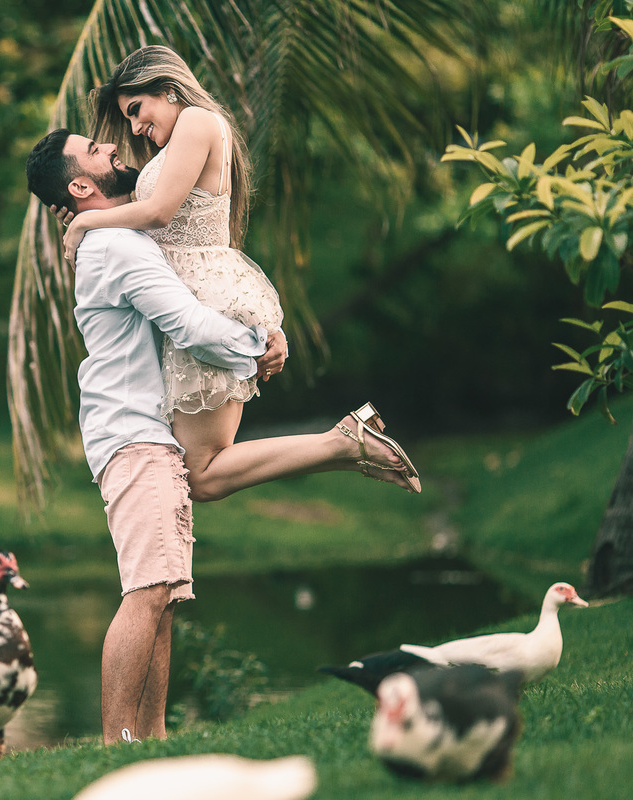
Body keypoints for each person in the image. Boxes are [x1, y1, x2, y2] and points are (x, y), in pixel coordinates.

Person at [24, 128, 421, 745]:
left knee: (163, 595)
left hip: (141, 432)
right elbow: (186, 323)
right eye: (96, 150)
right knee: (147, 592)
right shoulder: (116, 247)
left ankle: (151, 738)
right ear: (79, 186)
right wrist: (257, 346)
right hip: (132, 435)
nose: (112, 148)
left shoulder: (114, 235)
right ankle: (113, 743)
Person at [55, 45, 420, 502]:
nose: (134, 128)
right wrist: (83, 214)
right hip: (195, 299)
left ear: (167, 88)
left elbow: (159, 212)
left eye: (136, 110)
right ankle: (345, 445)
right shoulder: (183, 136)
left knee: (201, 474)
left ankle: (344, 443)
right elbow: (151, 218)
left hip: (203, 303)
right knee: (200, 474)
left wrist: (86, 223)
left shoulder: (196, 121)